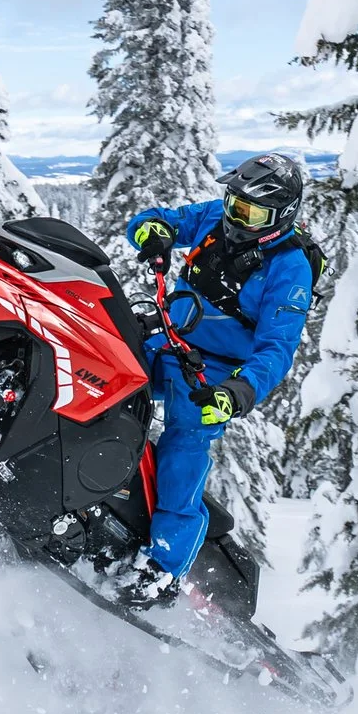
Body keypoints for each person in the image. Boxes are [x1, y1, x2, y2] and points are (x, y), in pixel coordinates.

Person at [117, 154, 315, 607]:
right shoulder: (217, 216)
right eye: (234, 204)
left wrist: (238, 393)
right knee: (105, 370)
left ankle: (163, 568)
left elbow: (277, 348)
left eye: (251, 213)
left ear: (280, 217)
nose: (236, 218)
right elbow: (157, 221)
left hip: (215, 370)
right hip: (167, 336)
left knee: (185, 443)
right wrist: (152, 232)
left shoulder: (291, 268)